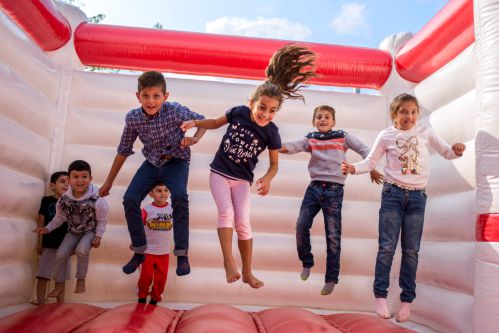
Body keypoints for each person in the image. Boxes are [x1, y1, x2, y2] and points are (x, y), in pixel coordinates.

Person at [181, 43, 317, 289]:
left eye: (272, 111)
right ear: (252, 102)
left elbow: (274, 165)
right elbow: (213, 122)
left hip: (242, 180)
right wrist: (194, 122)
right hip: (220, 173)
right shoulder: (239, 113)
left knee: (243, 221)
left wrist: (267, 179)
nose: (265, 114)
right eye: (262, 107)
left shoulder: (272, 133)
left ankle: (247, 271)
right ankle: (228, 262)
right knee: (227, 213)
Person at [341, 93, 466, 322]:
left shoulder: (424, 132)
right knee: (387, 247)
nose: (409, 116)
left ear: (417, 114)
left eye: (413, 112)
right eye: (403, 112)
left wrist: (456, 150)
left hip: (417, 198)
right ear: (394, 115)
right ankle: (380, 296)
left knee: (411, 251)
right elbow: (370, 162)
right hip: (393, 195)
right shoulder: (387, 135)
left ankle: (406, 301)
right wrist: (353, 168)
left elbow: (446, 152)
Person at [99, 71, 206, 276]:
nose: (151, 101)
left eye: (156, 96)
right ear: (137, 96)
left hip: (176, 161)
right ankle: (139, 250)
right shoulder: (133, 119)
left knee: (180, 197)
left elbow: (202, 121)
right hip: (151, 162)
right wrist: (108, 182)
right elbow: (123, 151)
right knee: (130, 199)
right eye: (146, 95)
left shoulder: (175, 111)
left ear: (165, 97)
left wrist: (195, 138)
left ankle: (182, 254)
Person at [280, 105, 383, 296]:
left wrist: (371, 167)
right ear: (314, 121)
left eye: (327, 117)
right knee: (301, 226)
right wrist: (278, 146)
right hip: (314, 188)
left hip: (334, 190)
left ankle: (331, 278)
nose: (323, 120)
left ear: (333, 121)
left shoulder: (342, 136)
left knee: (333, 236)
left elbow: (365, 149)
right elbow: (294, 146)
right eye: (319, 117)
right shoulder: (311, 138)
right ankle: (307, 262)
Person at [34, 160, 108, 298]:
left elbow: (102, 220)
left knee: (82, 250)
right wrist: (47, 228)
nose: (80, 180)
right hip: (73, 232)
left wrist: (98, 235)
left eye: (84, 177)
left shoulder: (97, 198)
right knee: (61, 255)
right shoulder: (64, 199)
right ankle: (59, 285)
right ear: (69, 179)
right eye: (76, 177)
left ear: (90, 178)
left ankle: (81, 280)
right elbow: (59, 217)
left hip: (89, 231)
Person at [35, 171, 71, 305]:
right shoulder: (47, 201)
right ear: (52, 186)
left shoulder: (72, 203)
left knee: (60, 278)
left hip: (65, 247)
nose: (66, 184)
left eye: (68, 181)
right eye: (62, 181)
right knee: (43, 275)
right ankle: (40, 304)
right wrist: (39, 243)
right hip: (49, 244)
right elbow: (41, 221)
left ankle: (59, 305)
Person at [136, 181, 173, 306]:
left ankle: (154, 300)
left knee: (161, 279)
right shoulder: (147, 209)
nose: (163, 193)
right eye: (159, 190)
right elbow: (138, 228)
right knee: (145, 278)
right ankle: (141, 298)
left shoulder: (173, 209)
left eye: (166, 190)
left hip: (164, 252)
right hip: (148, 252)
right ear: (151, 194)